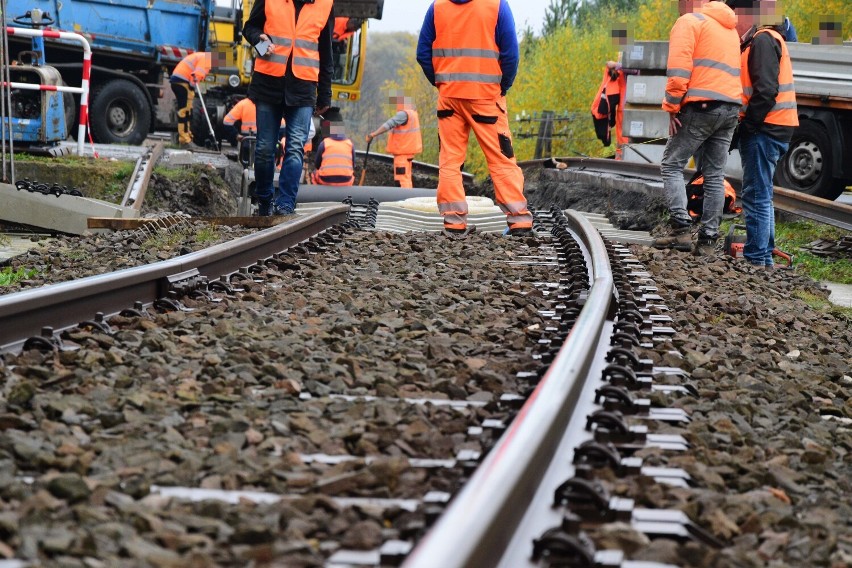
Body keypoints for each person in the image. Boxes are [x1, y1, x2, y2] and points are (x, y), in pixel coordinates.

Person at [416, 0, 533, 238]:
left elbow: (422, 53)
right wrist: (502, 87)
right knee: (501, 158)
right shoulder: (496, 5)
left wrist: (441, 83)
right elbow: (511, 54)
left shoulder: (437, 7)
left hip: (449, 97)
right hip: (487, 97)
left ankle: (454, 222)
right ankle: (519, 220)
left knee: (450, 160)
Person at [652, 0, 742, 256]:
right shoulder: (728, 29)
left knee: (671, 164)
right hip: (730, 109)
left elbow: (679, 72)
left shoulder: (689, 22)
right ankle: (708, 240)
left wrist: (671, 107)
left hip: (701, 107)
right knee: (714, 174)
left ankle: (680, 229)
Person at [243, 0, 334, 216]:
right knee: (265, 148)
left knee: (295, 147)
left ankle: (285, 204)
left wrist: (325, 93)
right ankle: (265, 200)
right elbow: (250, 28)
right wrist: (260, 41)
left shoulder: (325, 4)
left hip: (303, 87)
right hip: (268, 83)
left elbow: (326, 50)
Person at [730, 0, 798, 268]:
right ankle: (764, 254)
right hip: (775, 127)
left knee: (756, 193)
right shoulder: (766, 39)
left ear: (744, 14)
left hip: (765, 128)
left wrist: (748, 126)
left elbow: (766, 91)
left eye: (734, 15)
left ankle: (757, 257)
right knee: (763, 192)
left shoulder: (762, 41)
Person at [365, 92, 423, 188]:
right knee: (406, 179)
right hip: (408, 154)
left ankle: (403, 200)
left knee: (401, 181)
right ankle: (408, 198)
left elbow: (388, 124)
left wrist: (373, 134)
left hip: (402, 155)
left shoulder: (403, 114)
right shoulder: (413, 114)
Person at [170, 52, 211, 149]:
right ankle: (184, 141)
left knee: (187, 111)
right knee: (184, 111)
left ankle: (187, 138)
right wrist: (192, 87)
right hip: (182, 81)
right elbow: (197, 74)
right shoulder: (207, 59)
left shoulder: (203, 56)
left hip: (180, 80)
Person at [311, 120, 355, 186]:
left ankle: (317, 194)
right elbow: (353, 165)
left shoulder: (324, 143)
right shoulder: (350, 144)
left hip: (325, 180)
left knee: (314, 174)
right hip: (346, 181)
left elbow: (317, 164)